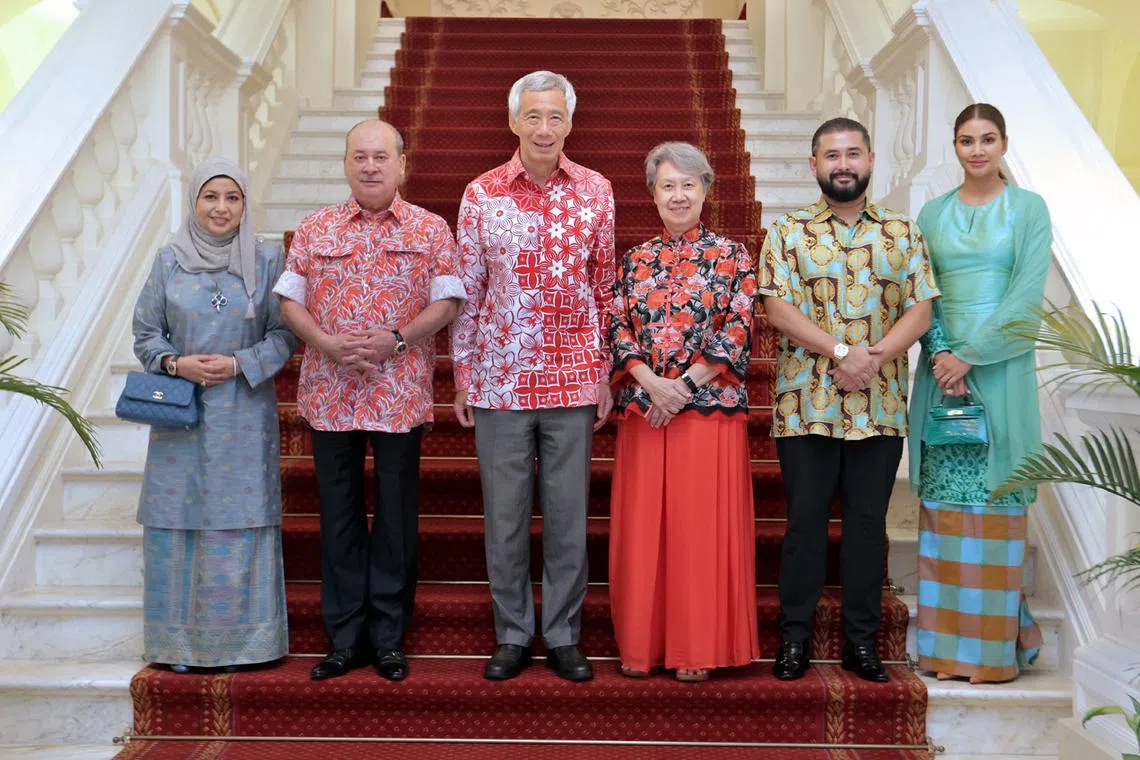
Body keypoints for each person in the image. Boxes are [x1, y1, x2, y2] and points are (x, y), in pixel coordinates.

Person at [273, 119, 464, 682]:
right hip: (330, 393)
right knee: (339, 518)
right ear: (346, 164)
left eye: (382, 156)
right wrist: (326, 344)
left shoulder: (431, 230)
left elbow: (449, 301)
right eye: (360, 156)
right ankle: (345, 637)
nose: (371, 166)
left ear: (402, 164)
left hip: (398, 393)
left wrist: (397, 339)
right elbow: (289, 302)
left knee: (397, 517)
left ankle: (387, 637)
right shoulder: (315, 228)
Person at [758, 117, 940, 683]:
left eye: (852, 153)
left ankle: (862, 644)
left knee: (867, 526)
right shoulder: (786, 231)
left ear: (871, 160)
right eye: (831, 154)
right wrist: (842, 351)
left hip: (880, 404)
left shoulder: (902, 232)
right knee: (805, 525)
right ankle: (795, 640)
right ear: (814, 164)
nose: (843, 163)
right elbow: (776, 308)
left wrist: (875, 356)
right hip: (805, 403)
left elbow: (922, 307)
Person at [451, 70, 615, 682]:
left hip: (572, 379)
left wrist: (602, 372)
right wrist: (463, 373)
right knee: (506, 516)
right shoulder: (481, 192)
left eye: (556, 117)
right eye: (533, 116)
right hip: (499, 380)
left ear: (570, 123)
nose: (544, 128)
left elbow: (604, 289)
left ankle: (566, 635)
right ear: (514, 121)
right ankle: (513, 633)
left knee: (569, 515)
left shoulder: (596, 190)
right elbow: (468, 290)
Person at [132, 156, 298, 673]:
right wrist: (176, 363)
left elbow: (286, 333)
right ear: (194, 201)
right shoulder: (167, 262)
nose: (221, 208)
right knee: (176, 518)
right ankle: (175, 646)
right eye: (211, 196)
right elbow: (145, 334)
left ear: (245, 204)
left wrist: (238, 363)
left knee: (238, 522)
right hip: (181, 416)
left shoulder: (268, 260)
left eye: (232, 197)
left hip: (244, 414)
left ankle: (244, 645)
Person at [608, 142, 760, 682]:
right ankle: (643, 646)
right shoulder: (635, 260)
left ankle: (696, 647)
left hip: (707, 411)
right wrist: (651, 383)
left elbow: (737, 328)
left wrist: (684, 386)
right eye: (667, 185)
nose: (678, 195)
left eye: (688, 185)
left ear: (706, 191)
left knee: (697, 533)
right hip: (646, 411)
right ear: (652, 194)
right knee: (646, 532)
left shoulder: (734, 256)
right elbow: (618, 327)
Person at [910, 103, 1049, 684]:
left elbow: (1026, 295)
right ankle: (943, 651)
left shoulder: (1028, 209)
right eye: (966, 140)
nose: (977, 150)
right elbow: (926, 292)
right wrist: (942, 352)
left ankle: (991, 655)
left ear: (1005, 143)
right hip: (942, 375)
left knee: (996, 504)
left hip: (1002, 368)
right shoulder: (933, 214)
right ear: (955, 146)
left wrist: (970, 355)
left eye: (987, 139)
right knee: (945, 510)